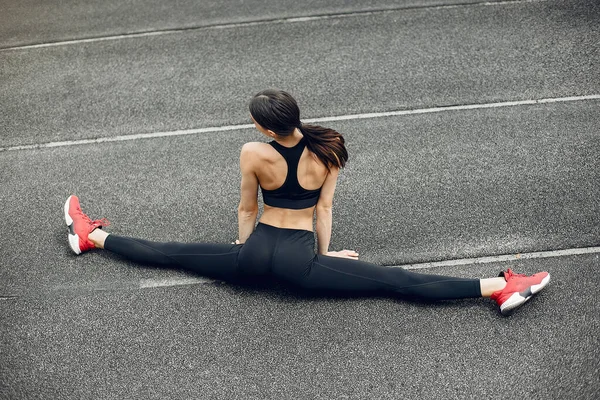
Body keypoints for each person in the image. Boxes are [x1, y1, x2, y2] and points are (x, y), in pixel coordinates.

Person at [64, 89, 550, 315]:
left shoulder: (253, 151)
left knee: (169, 251)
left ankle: (92, 237)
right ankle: (496, 288)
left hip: (252, 257)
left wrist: (241, 248)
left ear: (263, 127)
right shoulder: (329, 146)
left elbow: (247, 210)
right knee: (396, 282)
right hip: (301, 263)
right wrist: (324, 255)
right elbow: (323, 210)